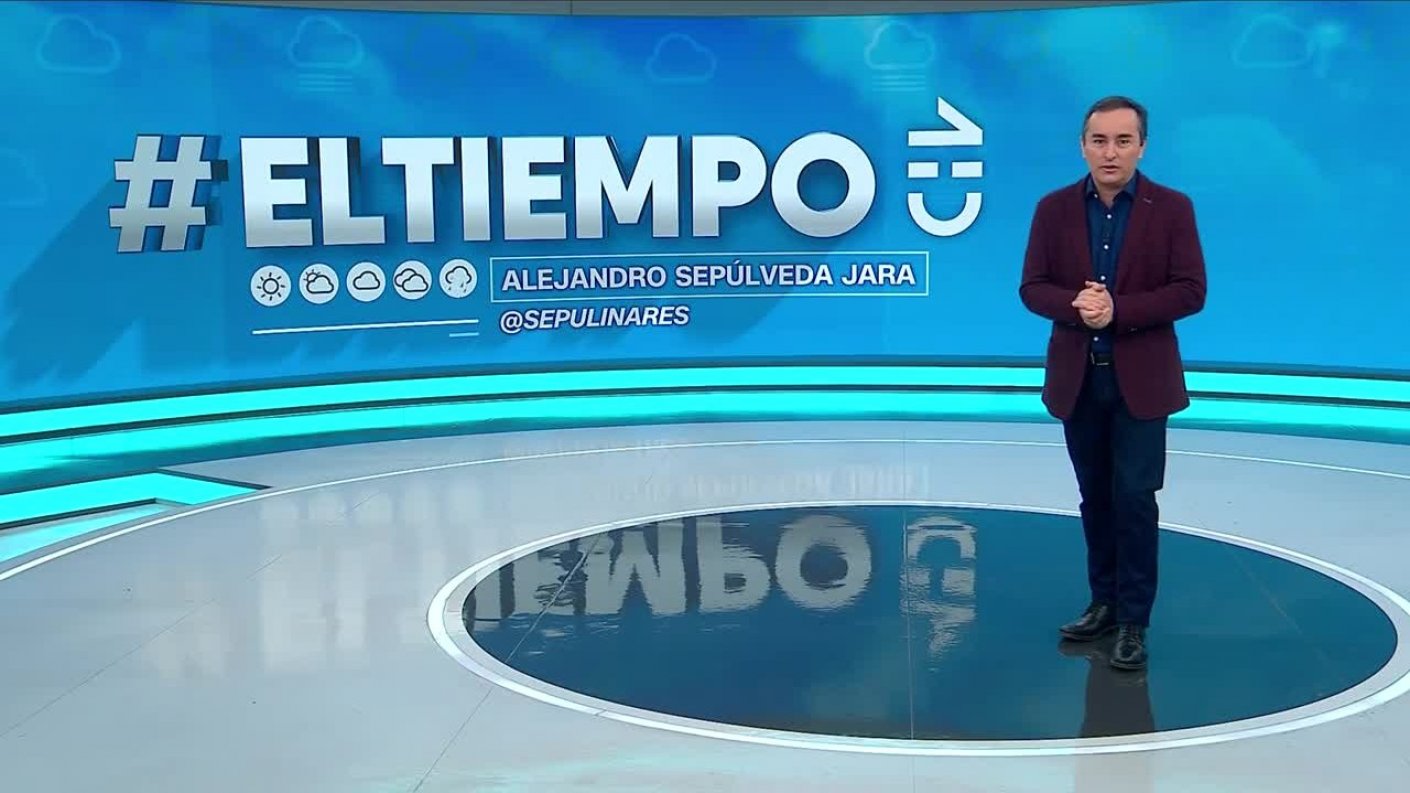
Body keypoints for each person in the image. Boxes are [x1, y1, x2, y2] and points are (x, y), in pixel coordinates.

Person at [1019, 96, 1207, 670]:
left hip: (1142, 383)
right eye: (1100, 141)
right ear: (1083, 146)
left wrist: (1118, 310)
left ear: (1142, 147)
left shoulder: (1171, 208)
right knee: (1095, 498)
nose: (1110, 152)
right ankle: (1102, 602)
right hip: (1079, 381)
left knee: (1134, 500)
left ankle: (1133, 622)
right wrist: (1078, 307)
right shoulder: (1053, 209)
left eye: (1123, 141)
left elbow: (1190, 291)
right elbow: (1033, 287)